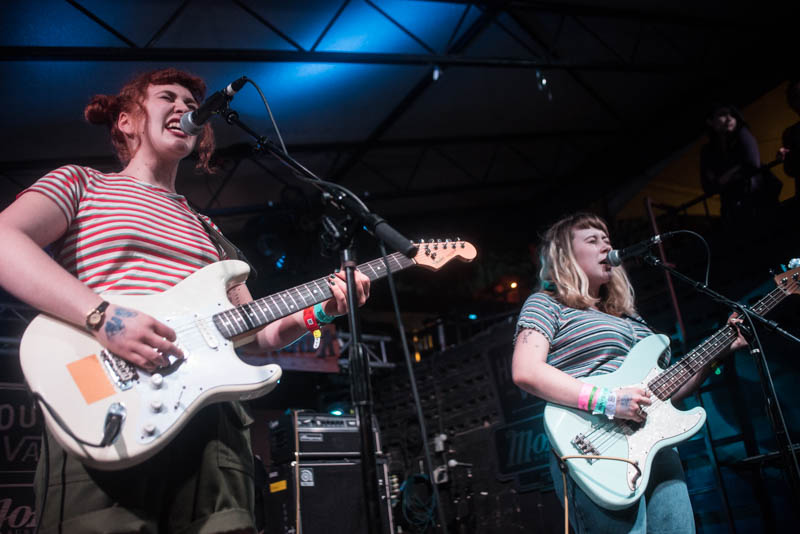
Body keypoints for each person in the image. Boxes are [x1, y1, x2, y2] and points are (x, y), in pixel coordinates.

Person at [0, 68, 370, 533]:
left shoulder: (209, 231)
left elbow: (254, 336)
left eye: (191, 103)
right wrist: (104, 318)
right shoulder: (82, 184)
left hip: (211, 425)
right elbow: (4, 240)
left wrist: (319, 309)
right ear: (126, 121)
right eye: (166, 97)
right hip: (107, 401)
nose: (184, 107)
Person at [511, 212, 746, 534]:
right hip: (591, 443)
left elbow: (666, 391)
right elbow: (526, 371)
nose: (605, 246)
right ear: (565, 255)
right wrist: (608, 400)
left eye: (607, 240)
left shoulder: (630, 319)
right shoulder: (547, 303)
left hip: (655, 443)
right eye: (592, 240)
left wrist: (722, 349)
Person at [699, 103, 780, 227]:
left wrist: (726, 177)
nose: (729, 118)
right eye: (722, 115)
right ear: (710, 121)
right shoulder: (708, 151)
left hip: (757, 198)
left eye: (731, 114)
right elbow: (708, 186)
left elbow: (753, 164)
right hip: (732, 206)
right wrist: (735, 171)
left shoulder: (742, 134)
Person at [778, 79, 800, 199]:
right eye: (796, 97)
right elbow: (789, 170)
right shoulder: (790, 133)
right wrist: (787, 158)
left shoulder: (790, 133)